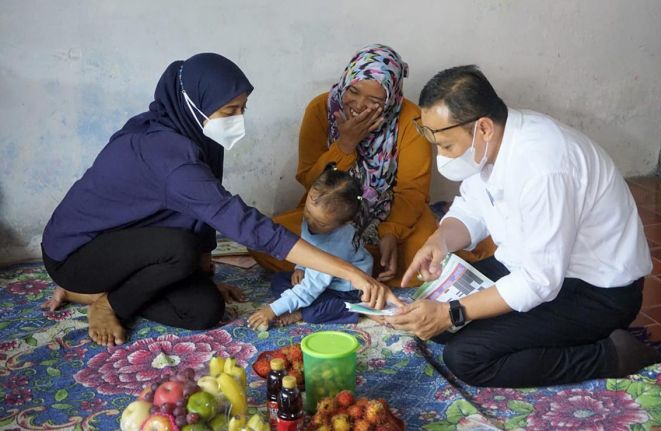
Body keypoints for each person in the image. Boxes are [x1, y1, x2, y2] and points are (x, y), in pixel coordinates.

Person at [41, 53, 398, 347]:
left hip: (137, 242)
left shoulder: (198, 132)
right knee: (178, 249)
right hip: (78, 252)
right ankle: (101, 299)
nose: (238, 120)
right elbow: (242, 222)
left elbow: (205, 207)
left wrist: (205, 268)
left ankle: (101, 292)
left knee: (203, 309)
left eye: (243, 108)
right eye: (229, 111)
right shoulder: (164, 153)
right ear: (194, 104)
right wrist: (347, 269)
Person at [386, 65, 661, 388]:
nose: (441, 154)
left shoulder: (543, 168)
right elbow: (472, 206)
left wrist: (452, 312)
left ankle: (613, 354)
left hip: (596, 292)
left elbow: (539, 281)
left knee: (466, 355)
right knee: (441, 326)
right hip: (530, 266)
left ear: (483, 128)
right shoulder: (491, 144)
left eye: (446, 145)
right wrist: (440, 241)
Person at [250, 44, 495, 287]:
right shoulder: (320, 109)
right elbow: (308, 180)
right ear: (346, 80)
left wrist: (389, 232)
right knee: (264, 241)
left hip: (391, 213)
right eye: (354, 92)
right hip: (332, 213)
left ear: (391, 99)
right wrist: (345, 145)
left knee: (424, 258)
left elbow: (411, 190)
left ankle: (338, 267)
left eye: (375, 100)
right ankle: (353, 266)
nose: (358, 105)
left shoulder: (410, 120)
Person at [248, 164, 373, 329]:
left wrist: (273, 309)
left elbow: (310, 289)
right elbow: (307, 247)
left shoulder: (335, 246)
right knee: (279, 280)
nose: (310, 223)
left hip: (344, 289)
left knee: (314, 312)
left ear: (343, 223)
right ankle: (299, 304)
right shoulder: (312, 219)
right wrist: (301, 266)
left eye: (320, 223)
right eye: (307, 213)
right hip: (320, 278)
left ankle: (352, 310)